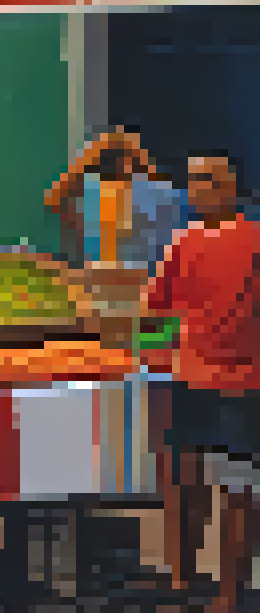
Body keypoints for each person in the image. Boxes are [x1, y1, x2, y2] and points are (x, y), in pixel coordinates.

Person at [144, 150, 258, 611]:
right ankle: (182, 583)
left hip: (241, 385)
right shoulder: (181, 242)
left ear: (236, 187)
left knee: (236, 490)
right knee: (185, 485)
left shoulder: (253, 242)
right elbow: (156, 313)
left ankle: (228, 595)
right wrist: (154, 362)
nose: (200, 188)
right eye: (193, 179)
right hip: (188, 379)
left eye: (211, 179)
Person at [51, 129, 191, 267]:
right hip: (110, 274)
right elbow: (56, 200)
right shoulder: (94, 191)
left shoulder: (156, 192)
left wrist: (92, 154)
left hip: (134, 275)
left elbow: (56, 199)